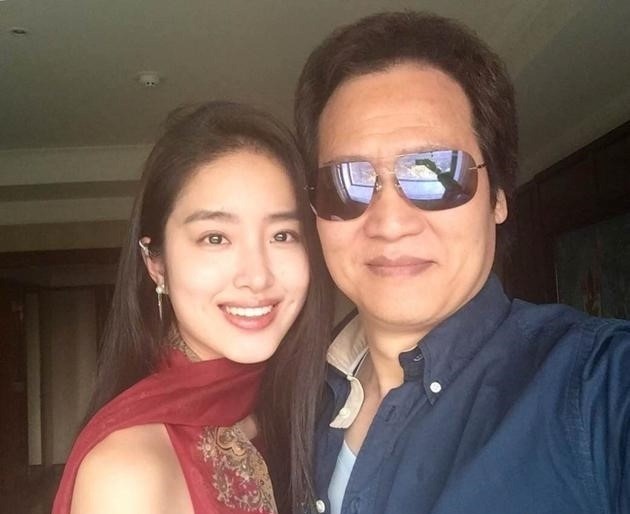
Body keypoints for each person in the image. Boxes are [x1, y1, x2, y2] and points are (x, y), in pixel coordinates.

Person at [294, 11, 630, 514]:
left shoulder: (598, 387)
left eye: (435, 172)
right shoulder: (296, 396)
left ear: (498, 197)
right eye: (347, 182)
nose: (389, 222)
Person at [52, 101, 332, 514]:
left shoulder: (313, 405)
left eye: (283, 235)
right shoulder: (127, 472)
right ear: (156, 263)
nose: (257, 276)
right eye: (215, 238)